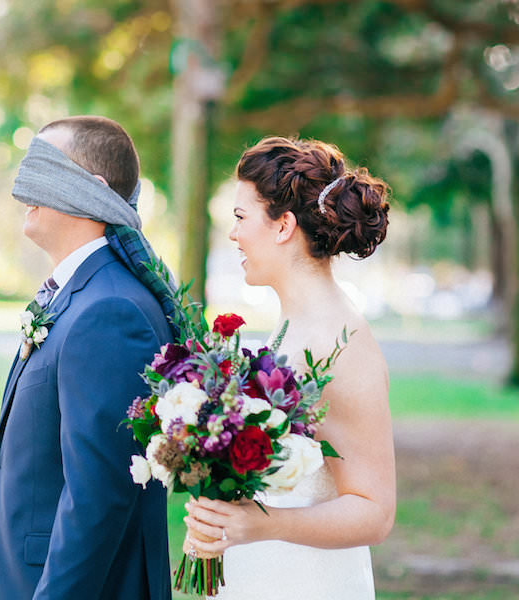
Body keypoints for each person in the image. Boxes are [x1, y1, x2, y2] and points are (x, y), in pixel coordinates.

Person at [183, 136, 396, 599]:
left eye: (241, 217)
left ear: (283, 226)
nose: (233, 233)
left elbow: (375, 511)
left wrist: (258, 525)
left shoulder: (343, 344)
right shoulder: (288, 328)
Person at [0, 116, 174, 599]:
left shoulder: (109, 310)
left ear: (89, 190)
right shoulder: (77, 294)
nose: (22, 187)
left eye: (42, 167)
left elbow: (98, 496)